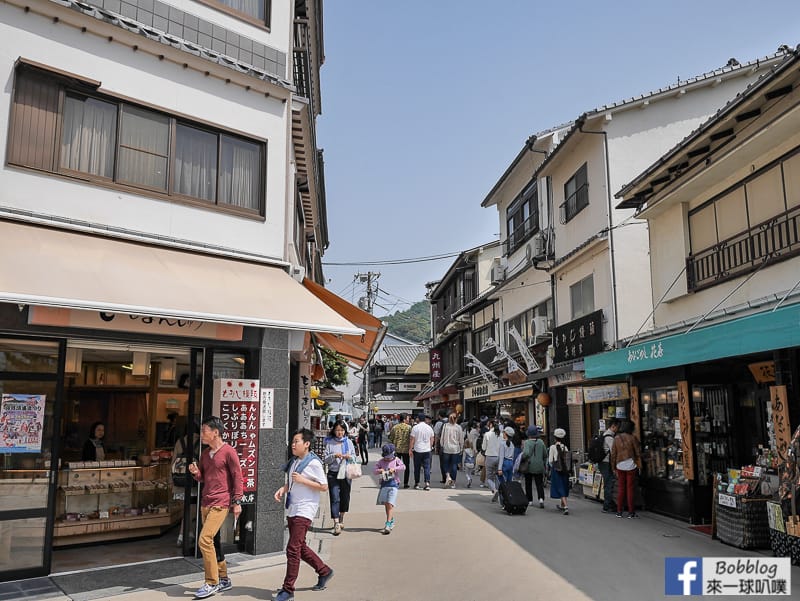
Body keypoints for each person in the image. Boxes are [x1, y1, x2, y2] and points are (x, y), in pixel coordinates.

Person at [273, 428, 334, 601]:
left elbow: (323, 486)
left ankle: (288, 589)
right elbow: (292, 483)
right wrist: (282, 489)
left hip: (305, 510)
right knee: (299, 547)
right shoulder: (294, 461)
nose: (293, 444)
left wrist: (303, 480)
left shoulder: (313, 462)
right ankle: (324, 571)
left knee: (292, 549)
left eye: (296, 442)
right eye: (292, 442)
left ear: (306, 444)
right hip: (293, 507)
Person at [188, 416, 243, 599]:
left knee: (204, 540)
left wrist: (237, 502)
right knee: (214, 542)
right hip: (206, 502)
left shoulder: (229, 452)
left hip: (221, 503)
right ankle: (224, 579)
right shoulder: (205, 454)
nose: (202, 434)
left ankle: (212, 582)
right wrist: (197, 473)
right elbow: (204, 477)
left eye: (205, 430)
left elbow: (237, 477)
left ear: (216, 432)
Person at [323, 420, 356, 535]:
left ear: (345, 431)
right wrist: (333, 456)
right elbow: (325, 459)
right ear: (334, 431)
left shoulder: (349, 442)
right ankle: (336, 523)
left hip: (346, 473)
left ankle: (341, 517)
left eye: (342, 430)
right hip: (333, 473)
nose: (340, 432)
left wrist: (348, 457)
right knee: (334, 497)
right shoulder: (330, 443)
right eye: (337, 430)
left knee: (345, 497)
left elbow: (354, 458)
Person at [611, 421, 641, 519]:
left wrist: (613, 467)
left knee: (621, 488)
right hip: (630, 465)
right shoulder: (632, 438)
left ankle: (619, 511)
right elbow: (637, 452)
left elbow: (613, 454)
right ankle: (631, 512)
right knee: (630, 489)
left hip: (619, 465)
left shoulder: (616, 438)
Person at [373, 443, 405, 534]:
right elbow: (374, 471)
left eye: (390, 456)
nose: (388, 458)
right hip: (384, 485)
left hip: (394, 484)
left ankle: (387, 524)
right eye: (386, 457)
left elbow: (403, 467)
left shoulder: (396, 460)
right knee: (387, 504)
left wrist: (394, 469)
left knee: (390, 504)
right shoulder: (381, 461)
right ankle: (391, 520)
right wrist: (379, 470)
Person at [521, 425, 547, 508]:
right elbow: (545, 454)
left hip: (529, 465)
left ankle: (530, 500)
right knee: (539, 483)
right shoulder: (541, 442)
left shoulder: (527, 443)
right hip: (539, 465)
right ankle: (541, 499)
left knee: (528, 483)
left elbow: (526, 454)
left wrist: (522, 457)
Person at [598, 418, 620, 513]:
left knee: (608, 483)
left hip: (603, 463)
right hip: (606, 463)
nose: (618, 429)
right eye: (617, 427)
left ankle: (609, 504)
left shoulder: (605, 435)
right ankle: (607, 506)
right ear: (613, 426)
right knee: (609, 483)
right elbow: (614, 451)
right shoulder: (609, 437)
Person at [548, 428, 571, 515]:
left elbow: (550, 461)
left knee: (559, 487)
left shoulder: (553, 447)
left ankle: (565, 506)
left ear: (555, 438)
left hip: (557, 470)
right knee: (564, 486)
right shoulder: (565, 447)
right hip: (565, 470)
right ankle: (562, 505)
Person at [409, 414, 435, 490]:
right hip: (427, 450)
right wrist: (430, 447)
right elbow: (432, 439)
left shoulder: (415, 428)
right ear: (425, 419)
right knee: (427, 467)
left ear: (418, 419)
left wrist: (410, 449)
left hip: (417, 450)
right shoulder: (429, 428)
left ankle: (417, 483)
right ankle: (427, 483)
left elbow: (412, 439)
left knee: (417, 467)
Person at [439, 411, 464, 488]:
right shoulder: (458, 427)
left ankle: (448, 476)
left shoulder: (445, 426)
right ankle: (453, 482)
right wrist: (461, 447)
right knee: (454, 465)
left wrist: (442, 445)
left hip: (447, 448)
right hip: (455, 448)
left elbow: (442, 437)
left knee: (445, 464)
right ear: (456, 419)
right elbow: (461, 439)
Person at [388, 413, 412, 488]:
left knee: (394, 466)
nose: (409, 420)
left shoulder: (395, 427)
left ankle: (395, 481)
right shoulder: (409, 427)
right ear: (404, 419)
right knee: (406, 466)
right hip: (406, 450)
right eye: (408, 418)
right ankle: (405, 483)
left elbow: (390, 438)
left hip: (396, 450)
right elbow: (411, 438)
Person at [482, 420, 501, 500]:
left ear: (491, 425)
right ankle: (497, 493)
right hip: (499, 457)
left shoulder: (487, 434)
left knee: (489, 476)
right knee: (497, 475)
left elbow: (483, 447)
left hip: (490, 456)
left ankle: (494, 489)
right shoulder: (501, 434)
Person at [432, 409, 449, 484]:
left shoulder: (439, 423)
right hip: (453, 446)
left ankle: (445, 478)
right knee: (451, 463)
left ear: (439, 416)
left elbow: (436, 436)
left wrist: (435, 446)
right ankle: (452, 478)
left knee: (443, 462)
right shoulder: (451, 421)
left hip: (442, 445)